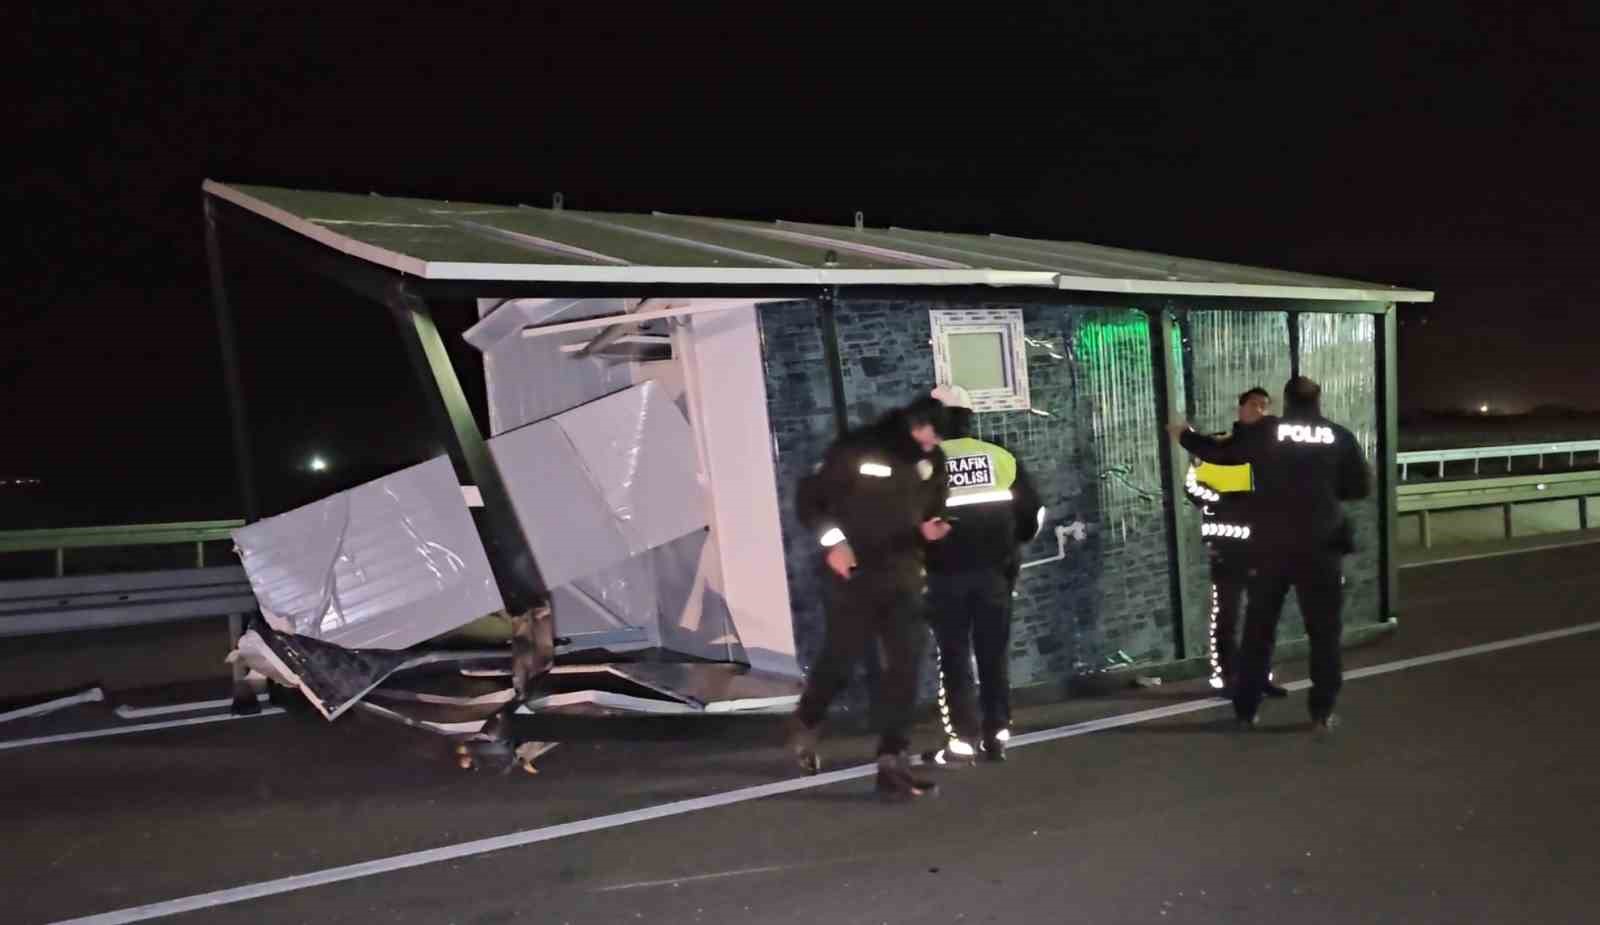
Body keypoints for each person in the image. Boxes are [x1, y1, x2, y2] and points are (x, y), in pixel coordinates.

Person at [1169, 376, 1370, 733]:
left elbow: (1220, 453)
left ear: (1286, 401)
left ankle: (1247, 709)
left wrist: (1184, 434)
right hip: (1322, 548)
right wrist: (1323, 493)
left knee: (1258, 630)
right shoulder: (1337, 436)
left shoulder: (1267, 433)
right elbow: (1359, 487)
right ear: (1317, 400)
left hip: (1270, 547)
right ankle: (1321, 711)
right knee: (1324, 633)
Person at [787, 394, 953, 801]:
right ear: (911, 426)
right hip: (855, 574)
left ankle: (892, 762)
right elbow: (810, 501)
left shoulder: (931, 463)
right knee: (841, 659)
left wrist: (931, 532)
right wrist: (835, 543)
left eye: (935, 444)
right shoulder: (857, 450)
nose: (931, 449)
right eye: (927, 440)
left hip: (903, 575)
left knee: (904, 667)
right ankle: (808, 719)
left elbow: (934, 509)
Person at [920, 385, 1043, 766]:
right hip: (995, 574)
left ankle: (962, 742)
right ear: (969, 417)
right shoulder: (999, 456)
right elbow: (1033, 514)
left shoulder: (923, 464)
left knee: (954, 656)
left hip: (943, 577)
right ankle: (996, 735)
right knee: (993, 653)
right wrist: (1010, 549)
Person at [1180, 387, 1286, 699]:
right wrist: (1221, 501)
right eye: (1254, 404)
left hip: (1263, 542)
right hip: (1228, 542)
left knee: (1261, 614)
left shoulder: (1272, 446)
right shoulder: (1219, 444)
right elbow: (1192, 486)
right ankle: (1227, 676)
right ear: (1240, 408)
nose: (1260, 410)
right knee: (1226, 614)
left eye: (1265, 406)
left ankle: (1259, 675)